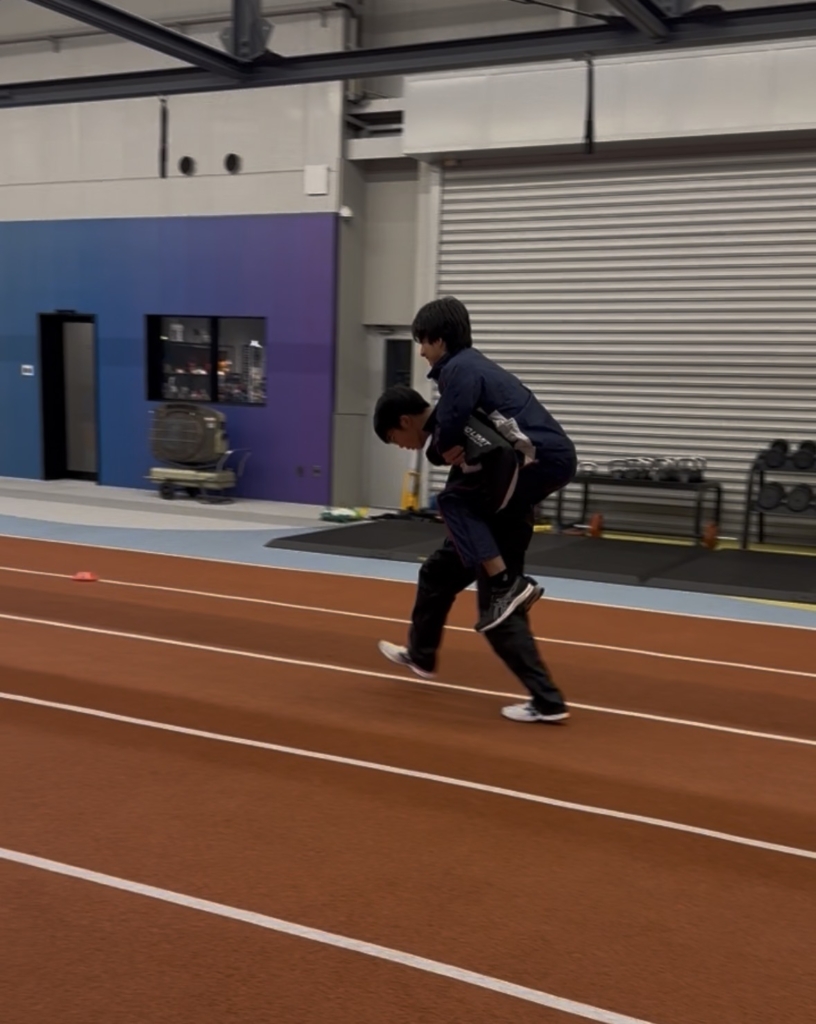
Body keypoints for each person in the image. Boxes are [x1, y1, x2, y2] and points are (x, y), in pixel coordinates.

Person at [372, 295, 577, 724]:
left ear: (439, 339)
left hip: (535, 468)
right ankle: (423, 653)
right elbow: (465, 448)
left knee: (456, 513)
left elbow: (449, 439)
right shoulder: (465, 394)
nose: (421, 352)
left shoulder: (459, 370)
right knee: (437, 573)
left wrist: (439, 450)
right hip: (511, 497)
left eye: (422, 342)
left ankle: (542, 688)